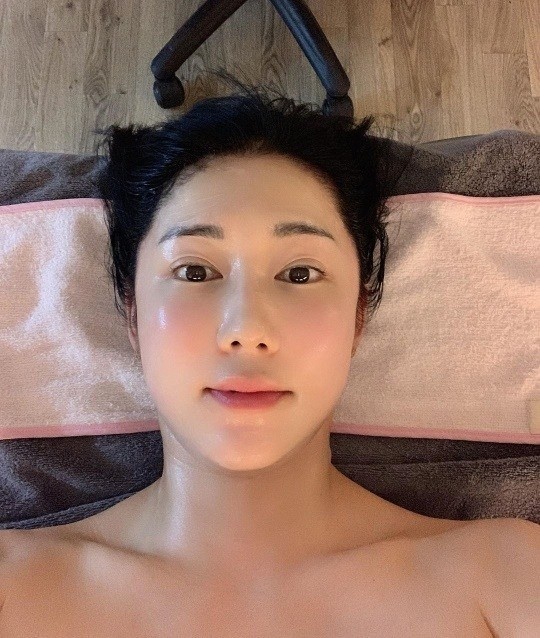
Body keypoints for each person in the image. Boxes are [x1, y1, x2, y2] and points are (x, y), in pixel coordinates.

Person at [1, 72, 537, 636]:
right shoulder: (14, 587)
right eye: (194, 271)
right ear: (133, 315)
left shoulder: (504, 577)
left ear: (358, 316)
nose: (246, 330)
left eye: (300, 273)